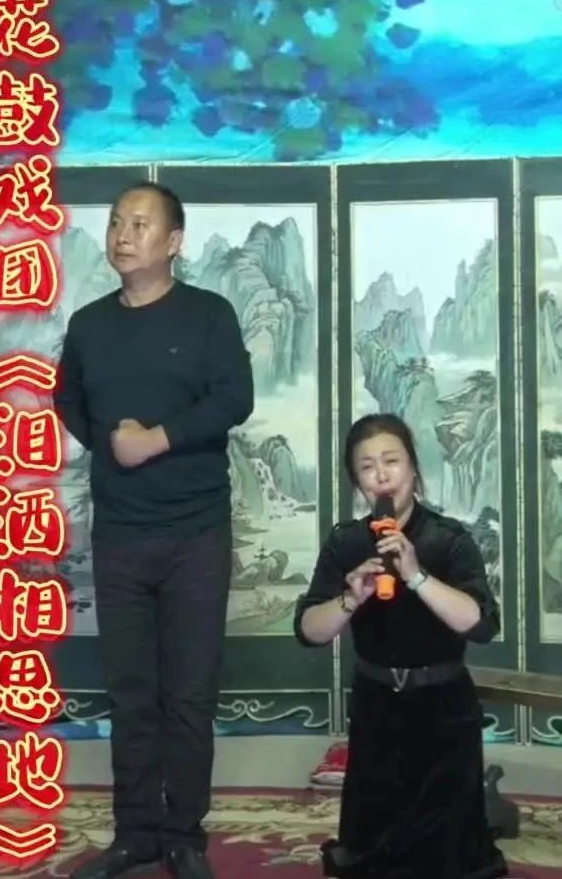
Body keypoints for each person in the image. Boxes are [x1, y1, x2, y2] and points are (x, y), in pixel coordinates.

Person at [53, 182, 254, 879]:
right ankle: (135, 832)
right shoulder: (89, 325)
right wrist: (113, 447)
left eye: (140, 224)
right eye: (116, 222)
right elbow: (67, 397)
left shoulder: (209, 314)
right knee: (131, 691)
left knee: (189, 694)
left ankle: (183, 835)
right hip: (120, 534)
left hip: (196, 530)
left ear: (173, 242)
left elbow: (235, 397)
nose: (123, 234)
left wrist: (157, 439)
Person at [294, 413, 508, 879]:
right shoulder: (347, 541)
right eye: (367, 466)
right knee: (375, 856)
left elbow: (481, 625)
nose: (381, 475)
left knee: (447, 859)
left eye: (391, 461)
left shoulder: (448, 538)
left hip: (444, 708)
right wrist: (352, 598)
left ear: (413, 468)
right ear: (358, 481)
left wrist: (415, 575)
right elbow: (310, 631)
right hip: (377, 707)